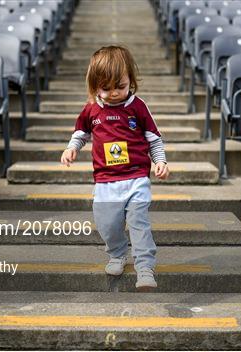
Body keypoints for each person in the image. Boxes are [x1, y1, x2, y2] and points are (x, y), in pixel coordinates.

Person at [60, 45, 170, 291]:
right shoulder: (91, 109)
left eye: (120, 86)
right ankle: (117, 253)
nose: (114, 93)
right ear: (94, 86)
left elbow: (154, 138)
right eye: (105, 88)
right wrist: (71, 148)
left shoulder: (138, 106)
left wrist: (160, 161)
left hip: (136, 178)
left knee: (139, 223)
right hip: (105, 181)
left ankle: (145, 268)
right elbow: (81, 132)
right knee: (107, 225)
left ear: (131, 80)